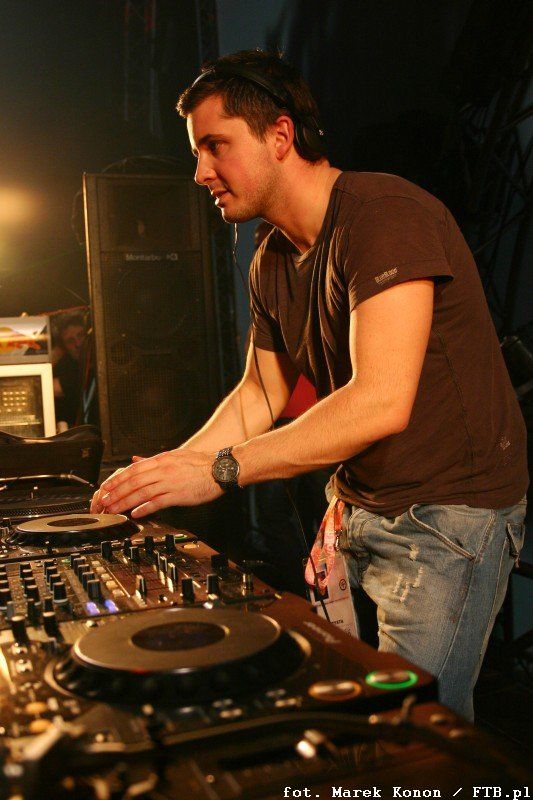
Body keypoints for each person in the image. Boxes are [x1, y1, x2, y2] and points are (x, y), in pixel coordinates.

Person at [91, 49, 528, 720]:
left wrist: (220, 469)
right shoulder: (270, 256)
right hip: (358, 506)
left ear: (279, 135)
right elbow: (259, 395)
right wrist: (167, 471)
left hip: (446, 514)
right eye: (196, 151)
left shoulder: (383, 215)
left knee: (414, 730)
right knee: (346, 709)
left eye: (215, 146)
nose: (200, 172)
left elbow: (380, 401)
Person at [53, 314, 87, 427]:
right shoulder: (66, 365)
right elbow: (49, 388)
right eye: (70, 341)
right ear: (64, 346)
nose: (78, 344)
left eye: (80, 335)